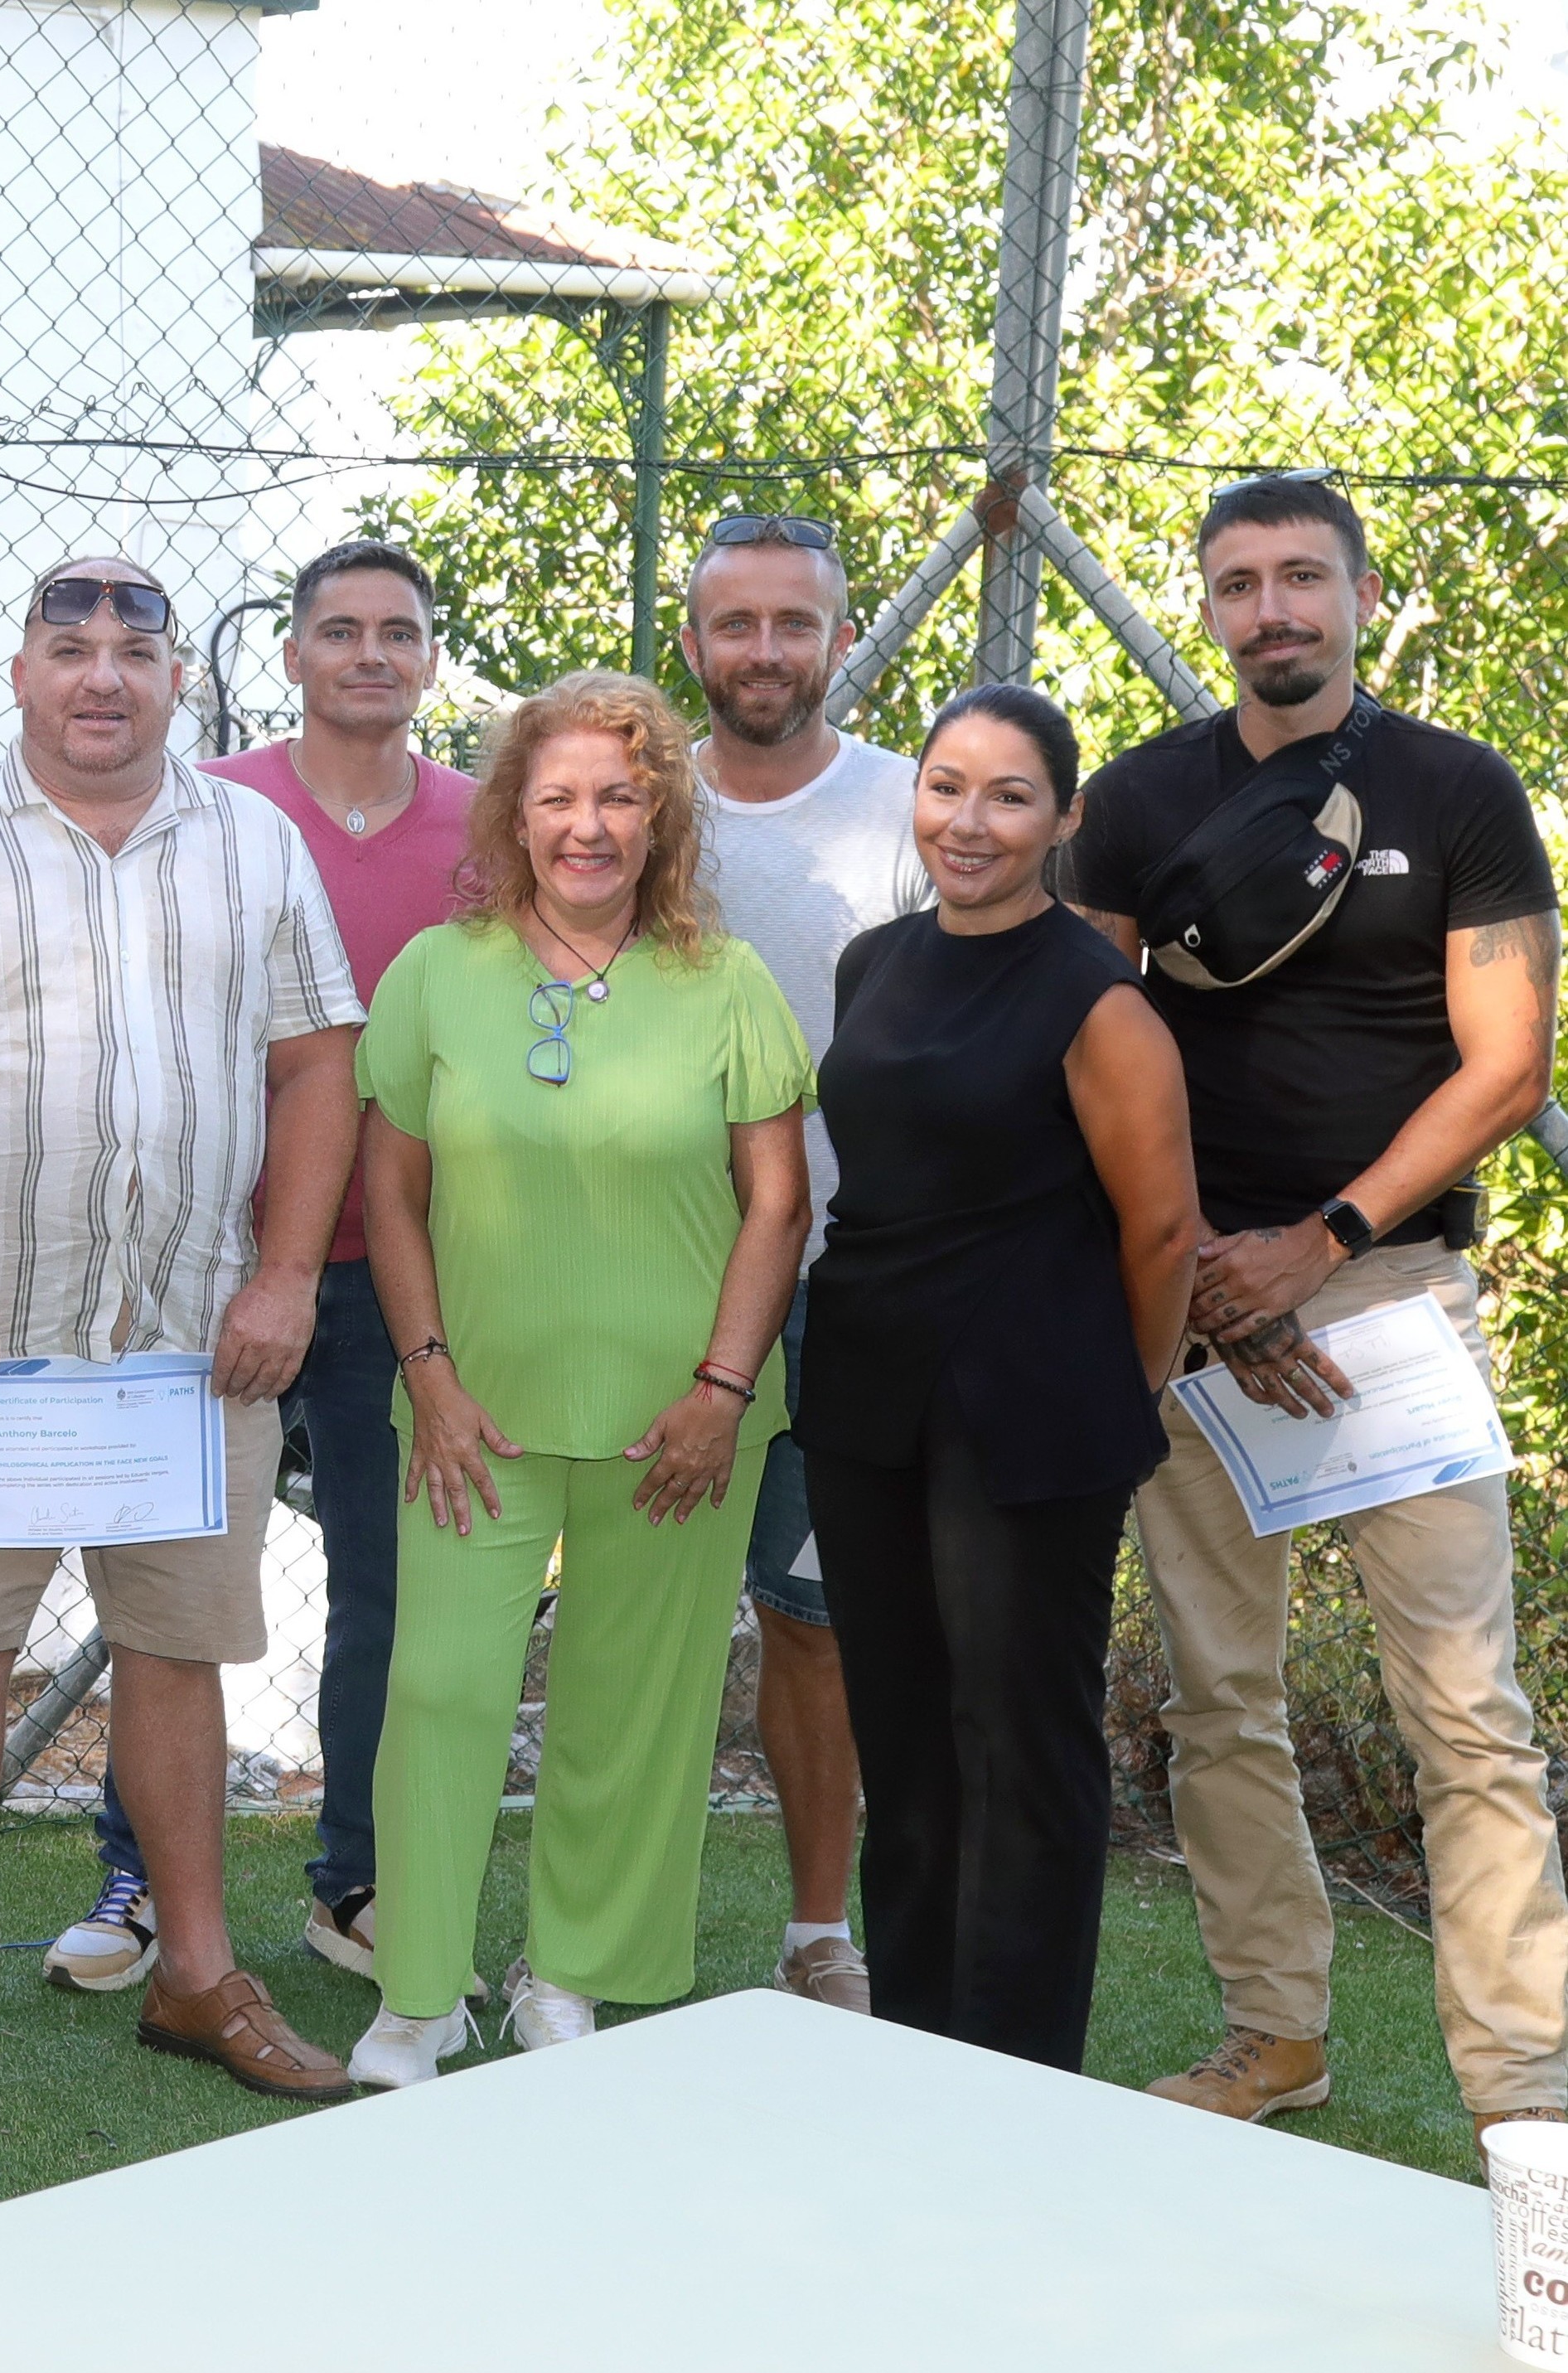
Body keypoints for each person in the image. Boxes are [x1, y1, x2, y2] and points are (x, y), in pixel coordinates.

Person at [0, 555, 363, 2102]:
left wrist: (287, 1279)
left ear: (177, 678)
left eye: (133, 649)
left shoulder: (256, 843)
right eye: (69, 647)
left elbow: (319, 1062)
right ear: (21, 674)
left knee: (178, 1657)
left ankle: (197, 1974)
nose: (102, 675)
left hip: (189, 1342)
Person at [1066, 471, 1567, 2143]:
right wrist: (1208, 1261)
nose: (1270, 609)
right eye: (1238, 583)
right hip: (1192, 1297)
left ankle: (1527, 2098)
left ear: (1356, 592)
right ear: (1208, 605)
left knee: (1468, 1718)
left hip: (1393, 1293)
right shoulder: (1138, 801)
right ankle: (1273, 2034)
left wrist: (1320, 1244)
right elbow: (1078, 1043)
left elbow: (1509, 1066)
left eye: (1300, 577)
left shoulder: (1462, 788)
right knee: (1220, 1699)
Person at [346, 670, 811, 2090]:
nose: (587, 826)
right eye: (557, 797)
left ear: (662, 817)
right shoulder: (437, 973)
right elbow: (389, 1195)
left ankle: (568, 1977)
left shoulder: (727, 983)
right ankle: (417, 1997)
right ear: (515, 813)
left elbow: (778, 1203)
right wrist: (429, 1374)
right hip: (470, 1414)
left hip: (680, 1421)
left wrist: (722, 1391)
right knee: (440, 1688)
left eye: (619, 796)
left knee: (633, 1704)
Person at [46, 537, 474, 1994]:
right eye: (339, 630)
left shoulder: (485, 834)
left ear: (429, 659)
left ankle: (356, 1881)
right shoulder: (204, 806)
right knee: (164, 1595)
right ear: (288, 656)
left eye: (397, 631)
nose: (369, 654)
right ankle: (138, 1884)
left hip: (404, 1275)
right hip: (202, 1269)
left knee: (387, 1591)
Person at [801, 684, 1199, 2069]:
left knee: (1018, 1749)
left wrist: (1128, 1392)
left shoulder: (1098, 998)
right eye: (947, 786)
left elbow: (1163, 1229)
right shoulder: (874, 964)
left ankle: (1021, 2083)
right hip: (866, 1398)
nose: (969, 822)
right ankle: (917, 2055)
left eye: (1010, 796)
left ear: (1064, 819)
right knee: (904, 1739)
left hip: (1029, 1415)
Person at [680, 512, 927, 2016]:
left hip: (850, 1288)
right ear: (694, 640)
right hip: (657, 1290)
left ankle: (818, 1931)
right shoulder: (638, 808)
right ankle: (599, 1926)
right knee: (640, 1622)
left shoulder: (913, 807)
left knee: (815, 1623)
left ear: (841, 639)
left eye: (794, 623)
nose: (765, 651)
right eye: (737, 623)